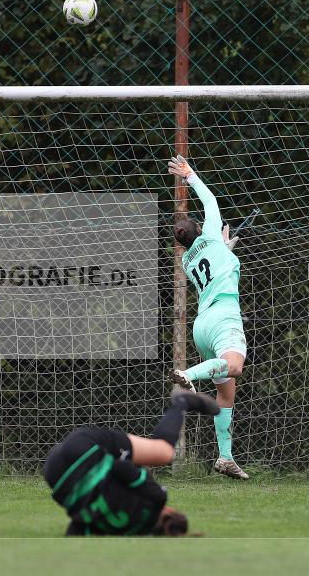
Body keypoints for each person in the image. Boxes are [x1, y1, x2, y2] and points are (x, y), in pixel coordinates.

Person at [168, 155, 249, 480]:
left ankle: (225, 458)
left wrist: (225, 249)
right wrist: (189, 174)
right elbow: (211, 199)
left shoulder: (188, 260)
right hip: (224, 318)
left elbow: (213, 262)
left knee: (226, 393)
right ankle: (188, 374)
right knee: (235, 366)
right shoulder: (211, 234)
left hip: (202, 326)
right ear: (201, 228)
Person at [43, 390, 220, 536]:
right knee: (156, 455)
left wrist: (141, 473)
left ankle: (182, 402)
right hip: (55, 474)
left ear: (168, 513)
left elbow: (118, 466)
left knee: (164, 452)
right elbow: (76, 531)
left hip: (86, 450)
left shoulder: (157, 499)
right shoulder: (123, 532)